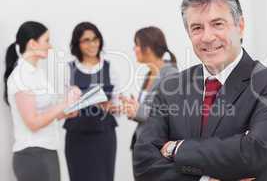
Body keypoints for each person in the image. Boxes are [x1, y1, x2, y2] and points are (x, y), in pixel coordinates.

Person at [133, 0, 267, 181]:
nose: (207, 37)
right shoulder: (170, 87)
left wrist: (178, 148)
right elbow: (143, 164)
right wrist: (205, 179)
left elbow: (254, 152)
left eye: (218, 24)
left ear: (240, 26)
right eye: (197, 28)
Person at [3, 21, 81, 181]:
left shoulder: (36, 73)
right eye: (46, 41)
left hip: (45, 152)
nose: (50, 46)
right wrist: (63, 104)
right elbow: (32, 123)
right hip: (33, 155)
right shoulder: (21, 76)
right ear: (32, 44)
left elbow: (43, 115)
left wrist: (64, 113)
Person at [64, 22, 120, 181]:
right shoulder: (68, 69)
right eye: (86, 40)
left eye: (95, 39)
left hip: (104, 135)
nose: (92, 44)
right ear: (77, 44)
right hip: (77, 135)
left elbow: (118, 105)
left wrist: (107, 106)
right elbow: (62, 107)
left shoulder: (110, 68)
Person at [120, 26, 178, 174]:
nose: (134, 49)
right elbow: (147, 109)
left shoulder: (171, 74)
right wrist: (133, 108)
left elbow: (168, 113)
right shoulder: (149, 74)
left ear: (148, 47)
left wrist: (138, 110)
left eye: (137, 45)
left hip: (157, 150)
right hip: (141, 146)